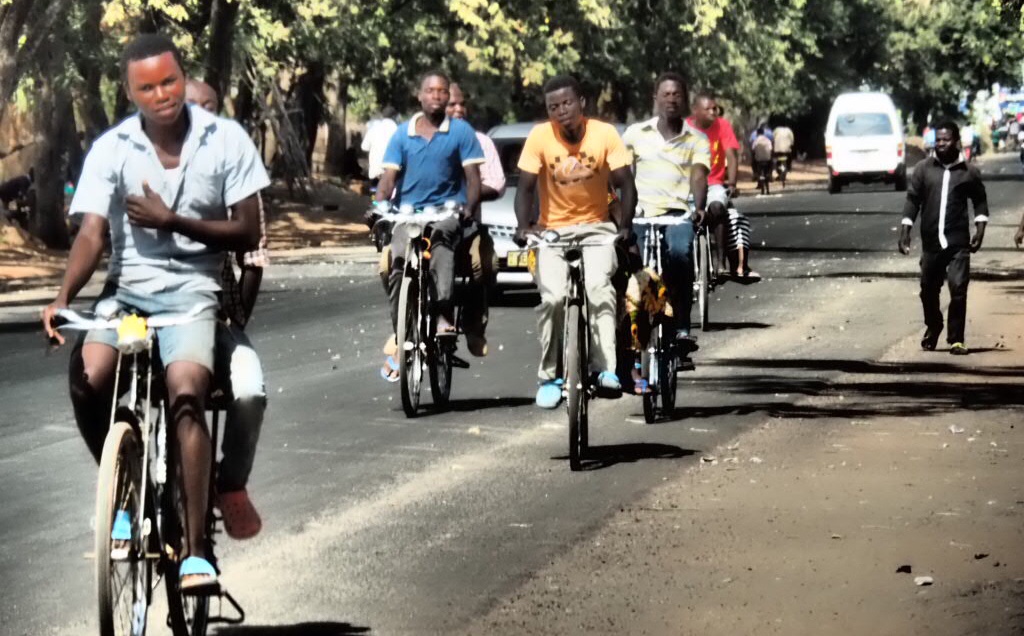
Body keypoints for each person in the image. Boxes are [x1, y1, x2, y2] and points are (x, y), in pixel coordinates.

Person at [42, 34, 268, 592]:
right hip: (127, 295)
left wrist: (174, 222)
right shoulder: (112, 147)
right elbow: (93, 232)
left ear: (181, 75)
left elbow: (247, 231)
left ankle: (196, 553)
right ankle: (121, 484)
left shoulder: (227, 138)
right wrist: (63, 297)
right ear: (130, 91)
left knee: (186, 394)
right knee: (87, 380)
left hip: (194, 293)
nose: (161, 94)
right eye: (146, 87)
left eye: (169, 81)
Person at [512, 75, 637, 408]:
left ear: (582, 102)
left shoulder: (605, 134)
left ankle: (605, 370)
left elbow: (626, 184)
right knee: (553, 299)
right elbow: (524, 189)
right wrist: (524, 226)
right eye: (554, 107)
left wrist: (624, 227)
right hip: (551, 232)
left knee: (599, 289)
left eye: (567, 103)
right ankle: (550, 377)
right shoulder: (540, 136)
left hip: (597, 229)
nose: (561, 111)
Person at [183, 78, 266, 540]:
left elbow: (252, 261)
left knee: (250, 389)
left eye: (207, 108)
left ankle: (230, 483)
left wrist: (235, 325)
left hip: (213, 315)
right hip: (150, 310)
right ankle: (125, 484)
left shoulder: (236, 173)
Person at [374, 71, 484, 381]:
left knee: (441, 240)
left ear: (448, 97)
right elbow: (387, 181)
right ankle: (401, 329)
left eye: (442, 91)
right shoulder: (401, 134)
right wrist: (378, 207)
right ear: (419, 96)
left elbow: (473, 180)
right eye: (430, 90)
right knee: (394, 260)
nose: (436, 96)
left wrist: (468, 207)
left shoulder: (461, 132)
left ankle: (443, 313)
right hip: (408, 215)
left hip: (446, 211)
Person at [622, 72, 709, 373]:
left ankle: (682, 326)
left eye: (677, 94)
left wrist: (698, 207)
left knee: (681, 255)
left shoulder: (697, 139)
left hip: (678, 215)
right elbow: (621, 174)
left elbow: (698, 175)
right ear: (655, 98)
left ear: (684, 99)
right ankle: (633, 347)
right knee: (637, 275)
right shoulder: (635, 134)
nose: (671, 99)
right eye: (666, 94)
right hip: (642, 216)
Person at [898, 121, 988, 355]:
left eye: (945, 139)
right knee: (928, 290)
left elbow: (979, 200)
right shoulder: (923, 169)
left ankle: (956, 339)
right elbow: (913, 199)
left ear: (956, 141)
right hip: (931, 243)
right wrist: (905, 230)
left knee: (958, 288)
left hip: (958, 242)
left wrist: (980, 229)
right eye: (937, 139)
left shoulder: (968, 171)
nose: (940, 144)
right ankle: (934, 325)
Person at [445, 82, 504, 356]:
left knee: (483, 263)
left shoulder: (480, 142)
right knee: (390, 262)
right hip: (426, 226)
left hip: (466, 227)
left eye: (461, 103)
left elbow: (497, 184)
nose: (458, 109)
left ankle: (473, 323)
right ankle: (402, 330)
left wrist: (468, 194)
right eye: (451, 104)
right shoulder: (416, 139)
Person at [688, 93, 760, 280]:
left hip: (713, 184)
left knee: (718, 208)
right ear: (696, 111)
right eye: (708, 109)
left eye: (715, 108)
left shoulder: (722, 125)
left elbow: (731, 155)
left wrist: (732, 183)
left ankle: (720, 262)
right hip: (686, 186)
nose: (713, 112)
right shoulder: (685, 127)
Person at [361, 106, 398, 187]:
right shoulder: (397, 130)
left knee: (374, 193)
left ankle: (374, 198)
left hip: (375, 172)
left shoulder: (374, 128)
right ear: (395, 116)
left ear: (382, 116)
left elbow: (364, 147)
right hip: (391, 172)